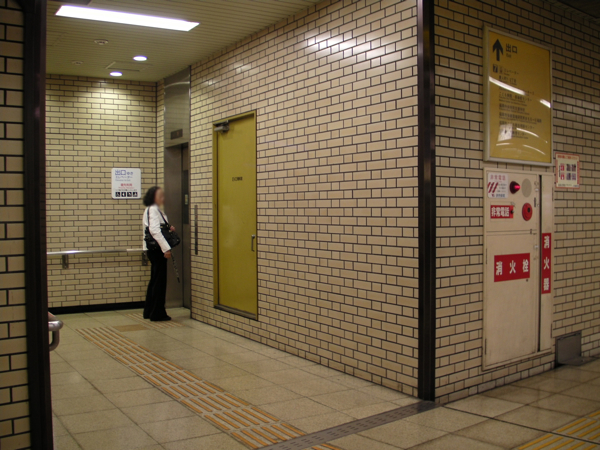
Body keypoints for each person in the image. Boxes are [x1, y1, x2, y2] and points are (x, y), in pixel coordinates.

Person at [142, 186, 174, 321]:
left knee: (155, 280)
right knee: (159, 282)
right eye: (160, 196)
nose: (163, 198)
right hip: (157, 250)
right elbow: (155, 231)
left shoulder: (152, 209)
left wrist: (168, 227)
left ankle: (149, 310)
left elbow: (158, 227)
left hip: (153, 250)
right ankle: (157, 313)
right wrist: (166, 248)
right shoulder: (153, 209)